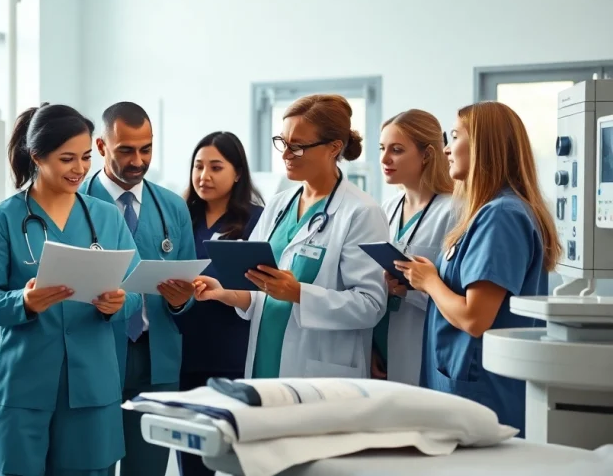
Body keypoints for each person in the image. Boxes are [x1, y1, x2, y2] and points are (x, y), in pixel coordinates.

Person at [0, 103, 141, 476]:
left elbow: (136, 289)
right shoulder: (3, 218)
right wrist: (23, 302)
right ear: (36, 157)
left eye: (84, 157)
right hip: (22, 384)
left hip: (91, 385)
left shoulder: (106, 216)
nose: (79, 169)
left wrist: (117, 304)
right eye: (66, 159)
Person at [194, 94, 388, 379]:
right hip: (264, 360)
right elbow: (262, 293)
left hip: (319, 371)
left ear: (334, 148)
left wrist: (298, 293)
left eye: (297, 147)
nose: (285, 155)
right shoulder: (278, 204)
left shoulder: (361, 212)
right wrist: (228, 294)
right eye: (282, 143)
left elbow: (370, 306)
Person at [394, 101, 558, 434]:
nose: (446, 149)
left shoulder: (502, 215)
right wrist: (426, 278)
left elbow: (474, 318)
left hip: (482, 392)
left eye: (454, 136)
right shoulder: (487, 212)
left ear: (483, 146)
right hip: (461, 382)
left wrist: (430, 283)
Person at [80, 102, 196, 476]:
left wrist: (182, 301)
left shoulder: (172, 207)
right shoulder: (75, 203)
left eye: (146, 149)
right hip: (93, 354)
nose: (137, 160)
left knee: (148, 469)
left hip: (155, 358)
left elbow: (188, 291)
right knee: (92, 464)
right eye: (126, 150)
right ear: (101, 147)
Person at [176, 131, 263, 476]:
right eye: (198, 166)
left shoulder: (257, 221)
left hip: (232, 355)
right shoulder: (182, 218)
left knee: (236, 457)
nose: (203, 176)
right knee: (191, 459)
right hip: (184, 353)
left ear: (237, 172)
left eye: (215, 167)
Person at [372, 111, 458, 385]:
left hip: (424, 343)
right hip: (383, 340)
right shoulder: (385, 209)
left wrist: (410, 290)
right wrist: (372, 345)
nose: (385, 160)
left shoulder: (455, 211)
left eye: (396, 150)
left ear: (427, 154)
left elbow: (459, 293)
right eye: (382, 149)